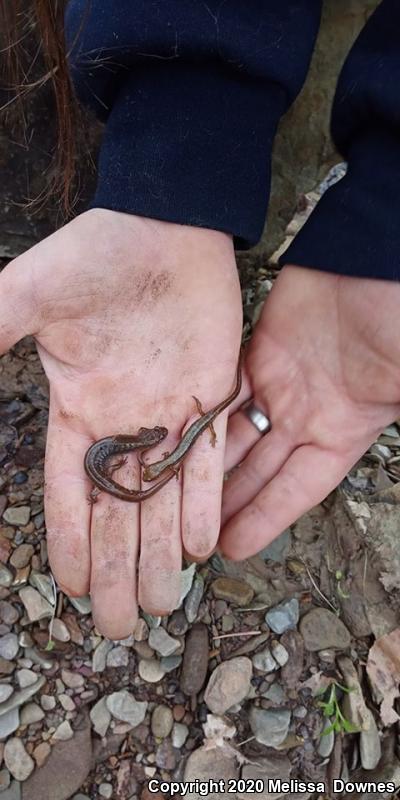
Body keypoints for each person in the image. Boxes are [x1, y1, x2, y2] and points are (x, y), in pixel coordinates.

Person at [0, 1, 399, 640]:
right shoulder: (132, 450)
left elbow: (153, 444)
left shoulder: (140, 447)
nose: (159, 440)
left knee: (155, 460)